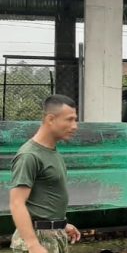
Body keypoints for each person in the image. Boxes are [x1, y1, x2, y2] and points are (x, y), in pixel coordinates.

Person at [9, 95, 82, 253]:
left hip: (54, 237)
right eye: (69, 119)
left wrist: (60, 225)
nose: (75, 126)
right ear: (50, 119)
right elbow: (17, 203)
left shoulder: (52, 153)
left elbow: (44, 201)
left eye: (75, 120)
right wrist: (33, 244)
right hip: (38, 241)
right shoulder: (29, 155)